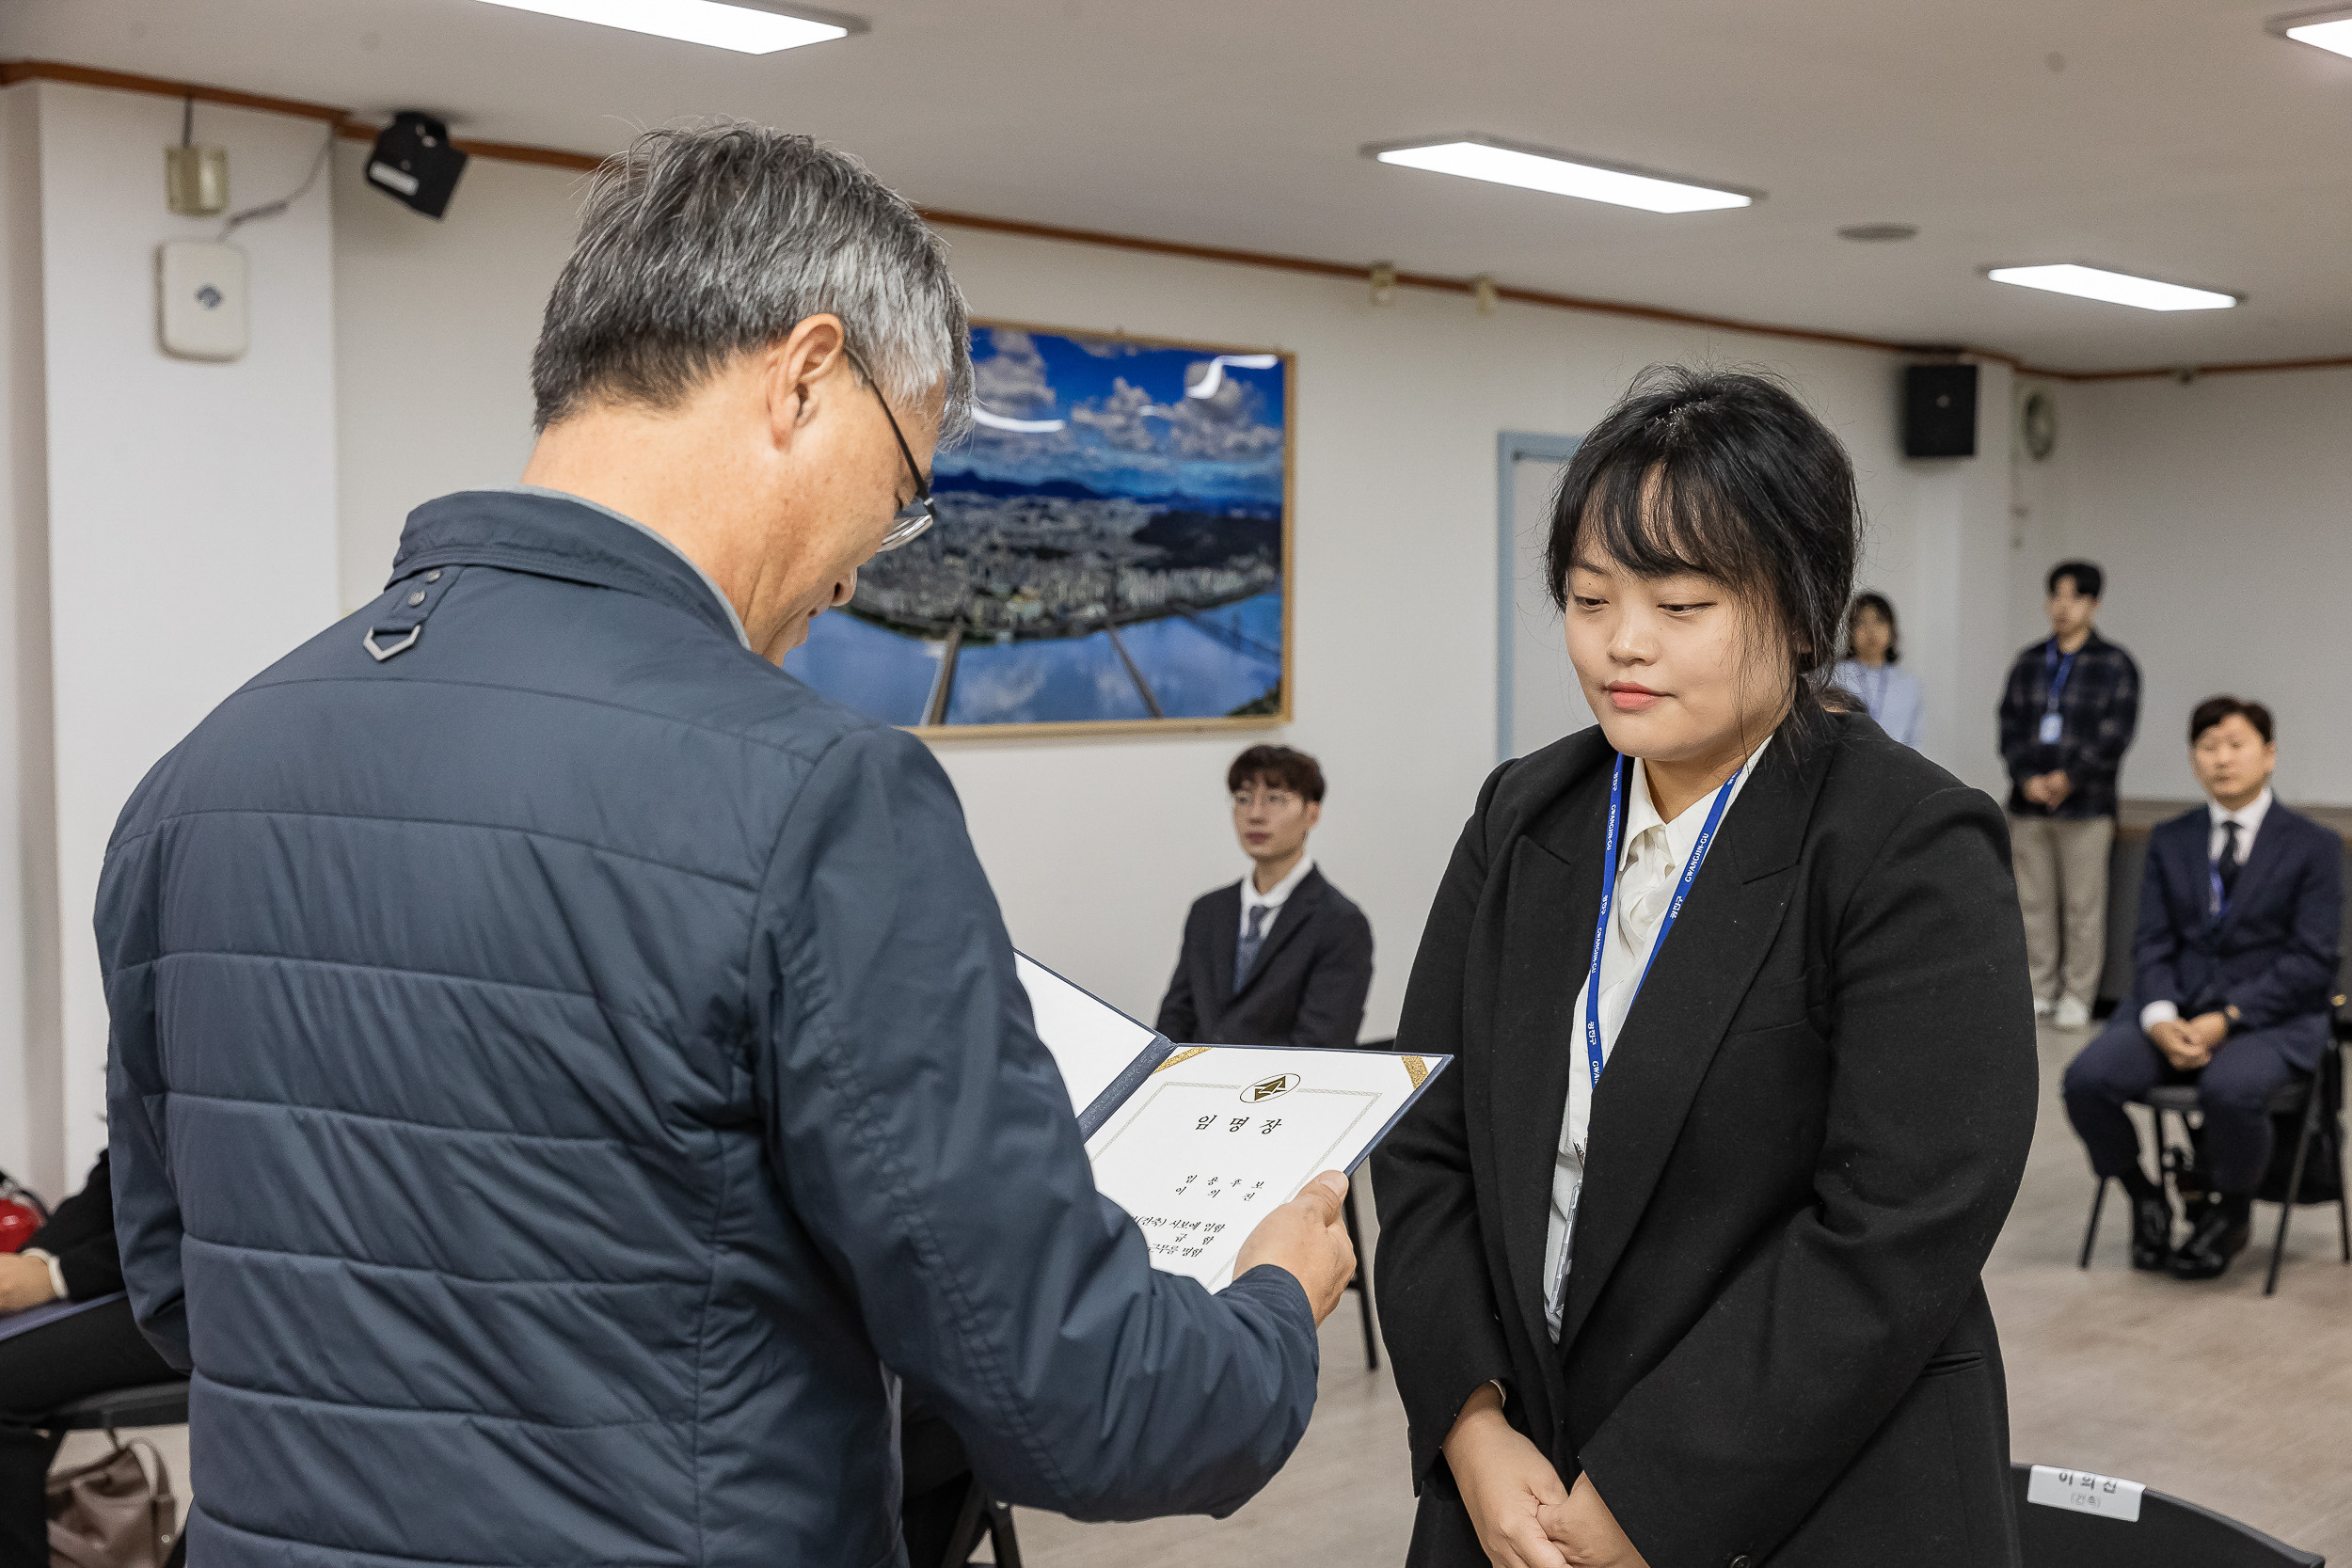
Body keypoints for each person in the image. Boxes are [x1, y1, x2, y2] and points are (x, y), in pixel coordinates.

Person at [98, 123, 1355, 1568]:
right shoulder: (817, 794)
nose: (853, 573)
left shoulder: (199, 773)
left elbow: (184, 1286)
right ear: (806, 375)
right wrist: (1270, 1303)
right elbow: (1081, 1403)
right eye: (897, 495)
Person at [1373, 367, 2038, 1568]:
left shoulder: (1905, 842)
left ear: (1796, 608)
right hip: (1515, 1482)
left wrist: (1645, 1494)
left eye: (1680, 603)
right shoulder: (1526, 814)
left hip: (1802, 1486)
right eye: (1588, 596)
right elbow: (1425, 1131)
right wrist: (1469, 1422)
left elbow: (1896, 1223)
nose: (1622, 641)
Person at [2062, 697, 2344, 1281]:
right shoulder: (2172, 839)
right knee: (2086, 1080)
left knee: (2231, 1088)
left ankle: (2230, 1212)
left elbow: (2312, 962)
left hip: (2274, 1017)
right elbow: (2153, 942)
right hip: (2177, 1007)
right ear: (2194, 760)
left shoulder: (2314, 846)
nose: (2222, 759)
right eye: (2208, 747)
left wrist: (2230, 1017)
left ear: (2268, 755)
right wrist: (2160, 1015)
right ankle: (2145, 1197)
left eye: (2236, 744)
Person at [0, 1155, 182, 1568]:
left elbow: (224, 1226)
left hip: (222, 1298)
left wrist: (59, 1276)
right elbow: (122, 1168)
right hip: (157, 1271)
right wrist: (34, 1260)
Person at [1155, 744, 1375, 1050]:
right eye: (1243, 799)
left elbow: (1320, 1046)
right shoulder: (1208, 910)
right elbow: (1174, 1022)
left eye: (1275, 799)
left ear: (1312, 814)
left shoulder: (1341, 923)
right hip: (1194, 1088)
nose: (1255, 815)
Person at [1999, 561, 2141, 1029]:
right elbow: (2011, 726)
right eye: (2055, 595)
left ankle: (2079, 994)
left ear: (2093, 604)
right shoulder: (2029, 661)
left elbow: (2114, 734)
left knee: (2083, 904)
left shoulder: (2115, 664)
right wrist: (2027, 777)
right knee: (2031, 902)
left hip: (2085, 806)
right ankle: (2038, 987)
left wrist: (2068, 778)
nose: (2062, 606)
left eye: (2074, 597)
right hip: (2028, 804)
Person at [1828, 590, 1922, 748]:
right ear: (1850, 631)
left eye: (1879, 621)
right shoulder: (1834, 676)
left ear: (1892, 630)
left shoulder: (1908, 685)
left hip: (1896, 766)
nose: (1870, 630)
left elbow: (1914, 740)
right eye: (1860, 622)